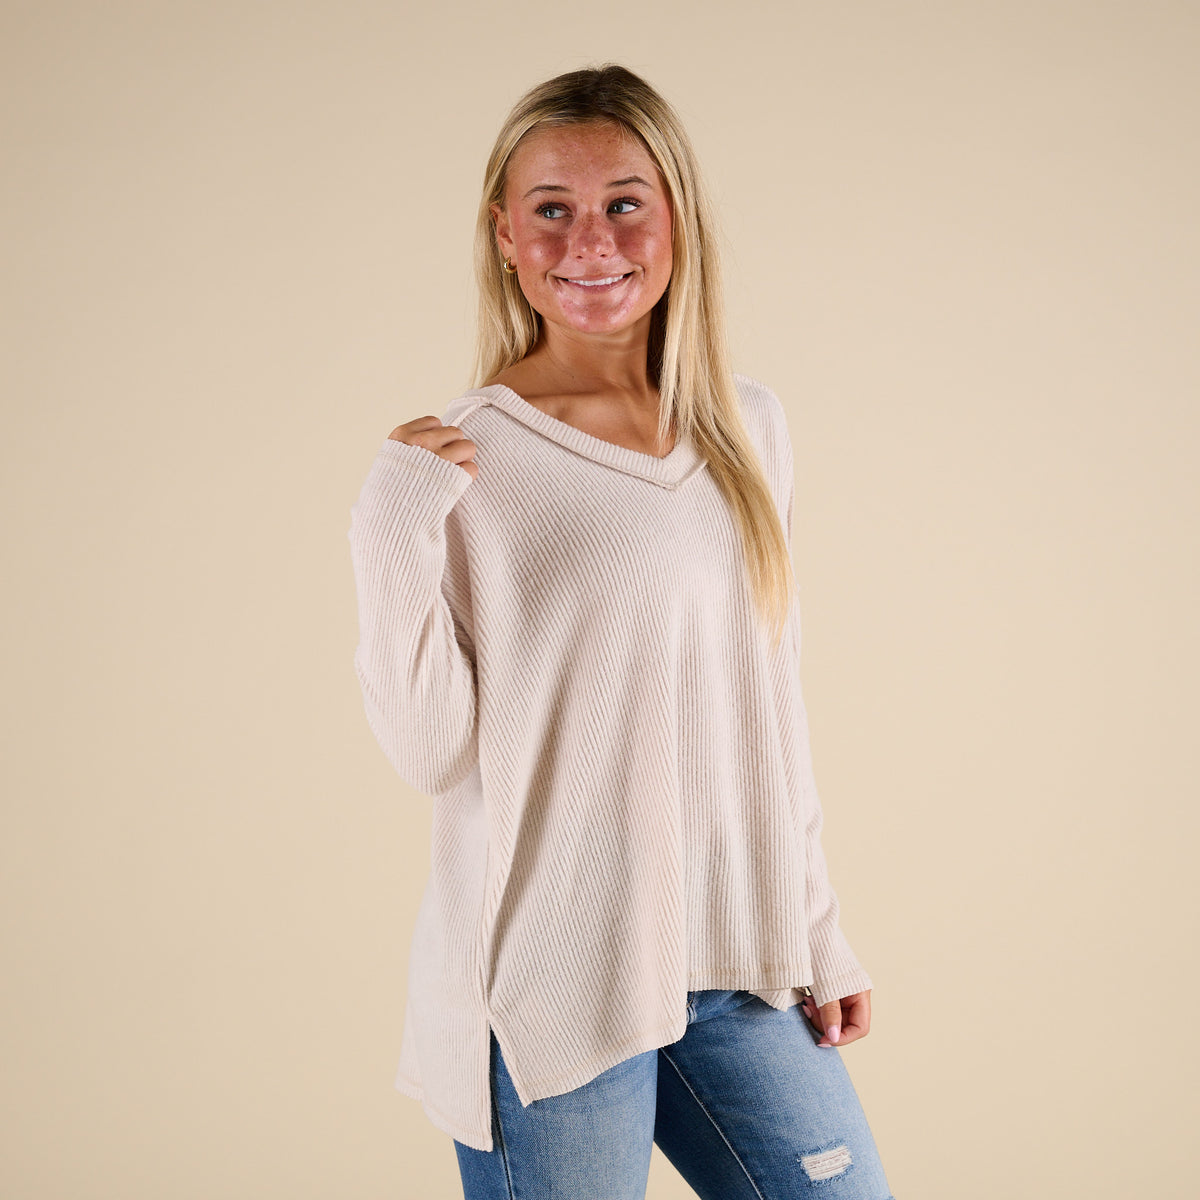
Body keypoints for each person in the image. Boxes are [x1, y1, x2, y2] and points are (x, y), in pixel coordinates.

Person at [348, 63, 896, 1200]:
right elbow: (431, 752)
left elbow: (769, 702)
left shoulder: (748, 426)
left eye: (624, 203)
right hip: (553, 983)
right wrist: (389, 535)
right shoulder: (464, 457)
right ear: (505, 233)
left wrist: (816, 928)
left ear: (678, 217)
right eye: (551, 208)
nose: (589, 241)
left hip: (734, 958)